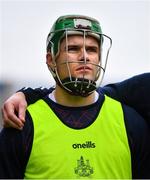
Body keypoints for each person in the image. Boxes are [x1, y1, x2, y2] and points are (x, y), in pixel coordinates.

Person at [0, 15, 150, 179]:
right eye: (73, 49)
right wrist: (26, 94)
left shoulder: (131, 123)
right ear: (51, 60)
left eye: (92, 50)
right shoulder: (22, 125)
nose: (85, 56)